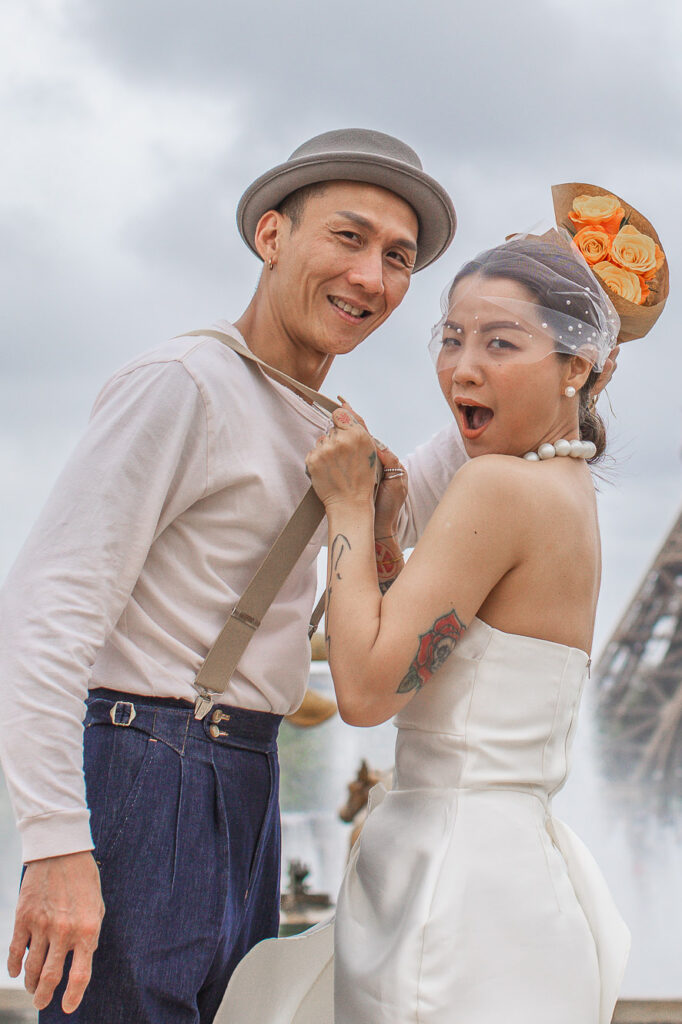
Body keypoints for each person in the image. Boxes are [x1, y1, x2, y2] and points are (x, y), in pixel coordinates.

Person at [0, 128, 461, 1023]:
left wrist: (551, 353)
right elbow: (47, 608)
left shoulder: (329, 424)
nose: (371, 276)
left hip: (245, 773)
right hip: (148, 760)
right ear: (271, 235)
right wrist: (55, 842)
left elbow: (416, 525)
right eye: (348, 237)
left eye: (398, 258)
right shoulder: (185, 383)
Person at [218, 234, 631, 1024]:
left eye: (500, 342)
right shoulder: (567, 493)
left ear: (577, 366)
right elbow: (460, 658)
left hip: (449, 881)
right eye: (451, 338)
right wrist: (379, 541)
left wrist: (344, 503)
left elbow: (369, 690)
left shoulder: (496, 489)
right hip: (518, 881)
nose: (463, 367)